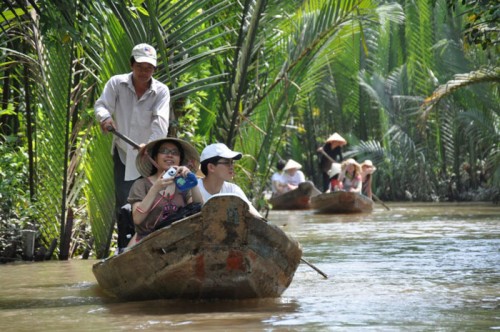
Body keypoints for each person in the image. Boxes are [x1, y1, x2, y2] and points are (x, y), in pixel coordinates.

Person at [94, 43, 171, 250]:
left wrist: (151, 144)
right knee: (126, 206)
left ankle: (154, 248)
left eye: (149, 68)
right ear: (131, 64)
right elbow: (102, 105)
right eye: (140, 66)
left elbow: (161, 121)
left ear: (154, 69)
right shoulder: (116, 84)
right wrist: (105, 118)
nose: (144, 72)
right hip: (123, 154)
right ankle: (124, 250)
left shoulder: (161, 91)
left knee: (154, 202)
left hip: (149, 158)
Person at [127, 138, 202, 247]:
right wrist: (156, 188)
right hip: (145, 244)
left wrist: (193, 183)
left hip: (176, 243)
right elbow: (137, 219)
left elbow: (199, 211)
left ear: (180, 160)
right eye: (164, 151)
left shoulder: (182, 185)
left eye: (175, 153)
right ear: (155, 158)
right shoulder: (141, 184)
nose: (169, 155)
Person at [197, 143, 262, 217]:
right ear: (211, 167)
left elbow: (255, 215)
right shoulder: (194, 189)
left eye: (232, 162)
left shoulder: (233, 190)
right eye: (227, 163)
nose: (231, 167)